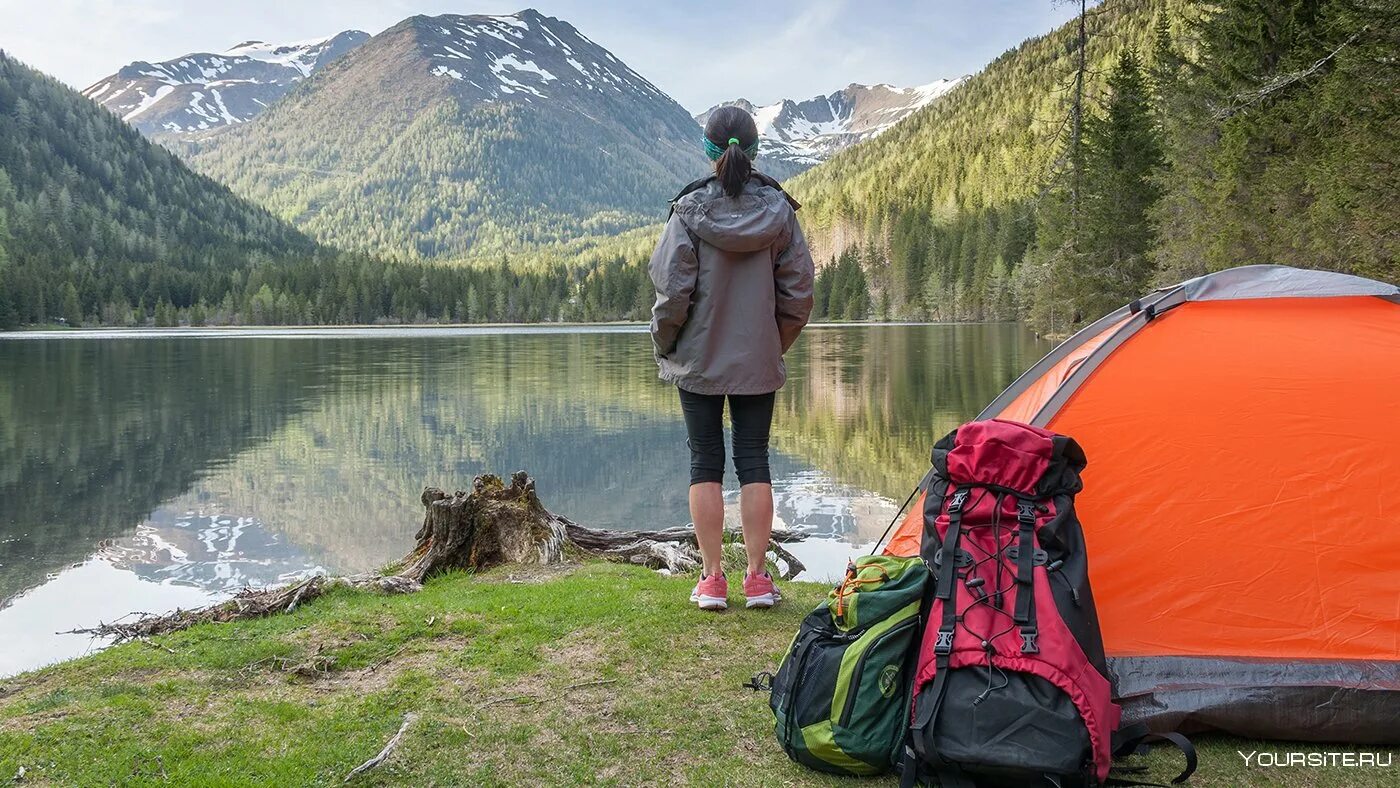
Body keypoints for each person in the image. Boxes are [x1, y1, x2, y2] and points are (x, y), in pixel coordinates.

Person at [648, 106, 815, 611]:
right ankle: (759, 580)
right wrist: (772, 341)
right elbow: (799, 293)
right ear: (754, 149)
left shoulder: (689, 211)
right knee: (754, 460)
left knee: (705, 461)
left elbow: (671, 291)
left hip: (697, 360)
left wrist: (665, 340)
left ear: (708, 150)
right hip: (757, 360)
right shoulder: (780, 213)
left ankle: (713, 580)